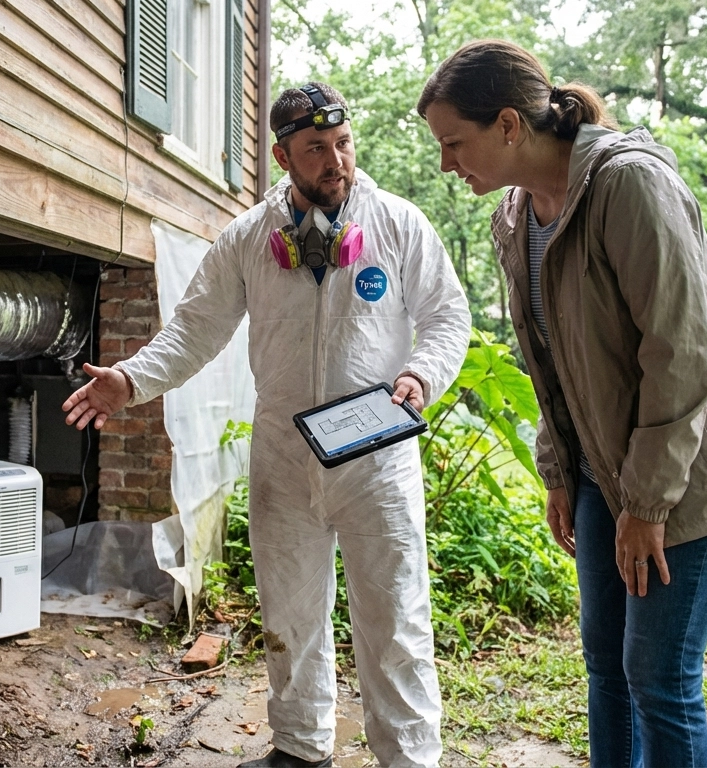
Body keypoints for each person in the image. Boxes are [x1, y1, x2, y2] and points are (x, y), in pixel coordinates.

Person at [62, 82, 471, 768]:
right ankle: (301, 748)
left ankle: (409, 759)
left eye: (343, 144)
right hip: (284, 454)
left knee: (396, 621)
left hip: (377, 458)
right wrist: (130, 379)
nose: (335, 161)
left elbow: (447, 317)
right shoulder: (248, 239)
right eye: (316, 149)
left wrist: (422, 373)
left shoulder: (400, 224)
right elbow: (193, 331)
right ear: (284, 156)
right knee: (290, 615)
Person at [416, 40, 707, 768]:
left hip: (690, 468)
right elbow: (547, 359)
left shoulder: (630, 184)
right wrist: (559, 472)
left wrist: (648, 505)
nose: (446, 163)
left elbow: (683, 353)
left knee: (659, 676)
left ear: (506, 124)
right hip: (602, 470)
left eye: (453, 143)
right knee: (606, 667)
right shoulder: (515, 217)